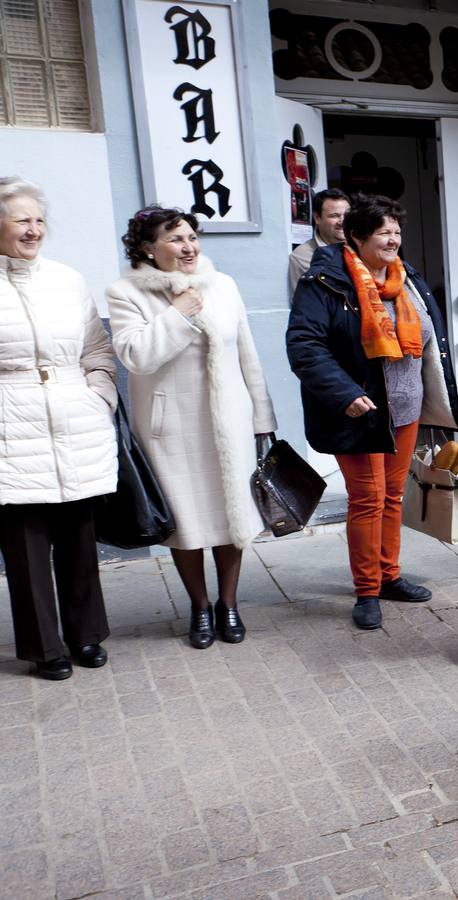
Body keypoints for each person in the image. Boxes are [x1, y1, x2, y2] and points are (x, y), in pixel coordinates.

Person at [287, 194, 458, 631]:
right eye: (383, 231)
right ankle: (367, 590)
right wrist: (343, 392)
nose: (393, 239)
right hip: (360, 411)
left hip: (405, 409)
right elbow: (305, 346)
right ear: (356, 236)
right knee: (367, 500)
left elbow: (430, 340)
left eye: (397, 232)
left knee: (394, 496)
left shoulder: (406, 279)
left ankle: (389, 575)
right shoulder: (326, 282)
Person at [107, 207, 277, 650]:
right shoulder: (126, 293)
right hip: (170, 427)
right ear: (147, 247)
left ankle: (229, 603)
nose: (189, 247)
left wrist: (262, 417)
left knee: (232, 516)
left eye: (192, 238)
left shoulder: (222, 285)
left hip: (229, 422)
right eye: (176, 240)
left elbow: (247, 354)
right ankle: (199, 607)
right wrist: (179, 312)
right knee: (185, 523)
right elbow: (136, 356)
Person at [0, 177, 118, 680]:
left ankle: (85, 636)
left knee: (78, 538)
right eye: (21, 219)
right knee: (24, 547)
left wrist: (100, 397)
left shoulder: (68, 279)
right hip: (10, 425)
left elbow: (97, 349)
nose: (34, 229)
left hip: (75, 419)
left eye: (39, 219)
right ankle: (44, 647)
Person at [289, 189, 349, 287]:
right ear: (317, 218)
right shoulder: (302, 257)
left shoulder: (363, 247)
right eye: (334, 216)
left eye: (347, 215)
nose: (342, 222)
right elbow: (302, 300)